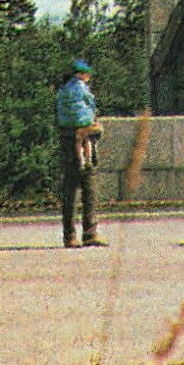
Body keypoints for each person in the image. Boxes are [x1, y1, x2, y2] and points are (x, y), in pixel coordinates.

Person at [55, 58, 104, 248]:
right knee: (89, 192)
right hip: (86, 147)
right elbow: (90, 113)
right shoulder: (82, 90)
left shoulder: (63, 92)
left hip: (68, 144)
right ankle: (89, 233)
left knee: (70, 193)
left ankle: (70, 235)